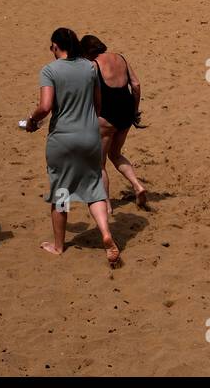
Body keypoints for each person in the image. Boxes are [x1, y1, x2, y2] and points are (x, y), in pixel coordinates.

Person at [23, 28, 121, 266]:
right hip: (89, 136)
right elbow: (98, 104)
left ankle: (58, 246)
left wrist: (32, 121)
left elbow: (45, 106)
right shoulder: (89, 68)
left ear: (56, 46)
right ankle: (106, 233)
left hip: (63, 138)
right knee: (94, 187)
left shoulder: (49, 70)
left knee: (61, 190)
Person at [81, 35, 148, 210]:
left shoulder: (93, 66)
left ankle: (107, 204)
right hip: (126, 112)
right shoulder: (121, 58)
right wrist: (134, 109)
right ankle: (137, 185)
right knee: (116, 154)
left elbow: (90, 95)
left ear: (87, 52)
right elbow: (136, 85)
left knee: (99, 163)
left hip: (107, 117)